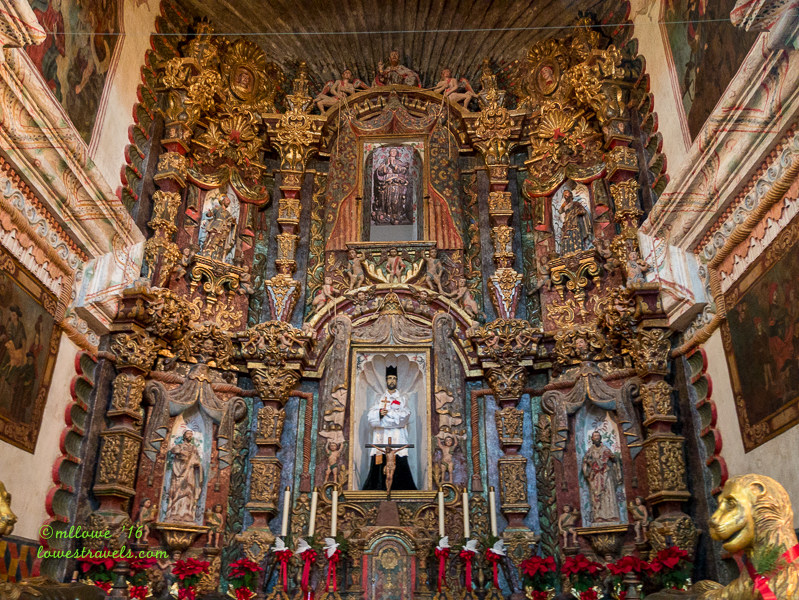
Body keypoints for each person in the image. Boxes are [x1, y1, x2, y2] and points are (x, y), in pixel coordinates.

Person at [362, 366, 417, 490]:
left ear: (396, 381)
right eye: (389, 378)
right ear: (386, 380)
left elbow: (404, 418)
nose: (392, 381)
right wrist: (380, 414)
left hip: (398, 438)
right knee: (379, 462)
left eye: (394, 378)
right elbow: (371, 419)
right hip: (381, 438)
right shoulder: (379, 399)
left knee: (399, 463)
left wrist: (387, 415)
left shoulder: (402, 399)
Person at [581, 430, 622, 523]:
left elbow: (614, 459)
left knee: (609, 493)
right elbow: (585, 463)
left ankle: (612, 515)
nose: (597, 438)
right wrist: (587, 470)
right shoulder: (590, 452)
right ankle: (599, 516)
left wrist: (613, 457)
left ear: (600, 438)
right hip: (595, 476)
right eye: (595, 436)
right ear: (592, 439)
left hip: (606, 474)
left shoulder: (605, 449)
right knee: (597, 495)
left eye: (598, 436)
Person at [165, 429, 203, 523]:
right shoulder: (180, 446)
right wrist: (182, 453)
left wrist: (196, 463)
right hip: (179, 472)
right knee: (177, 490)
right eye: (188, 434)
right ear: (184, 436)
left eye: (191, 434)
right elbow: (174, 450)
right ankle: (174, 513)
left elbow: (197, 460)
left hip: (190, 472)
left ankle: (187, 513)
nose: (189, 436)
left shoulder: (194, 448)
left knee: (189, 490)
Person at [558, 189, 591, 254]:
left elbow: (583, 211)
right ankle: (567, 252)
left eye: (567, 194)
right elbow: (560, 211)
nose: (565, 196)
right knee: (566, 236)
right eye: (564, 195)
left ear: (571, 195)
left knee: (575, 234)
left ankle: (577, 250)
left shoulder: (576, 203)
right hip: (567, 223)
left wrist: (576, 212)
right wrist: (563, 205)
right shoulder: (565, 205)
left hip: (575, 222)